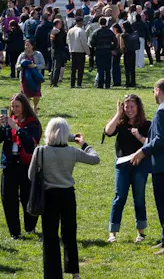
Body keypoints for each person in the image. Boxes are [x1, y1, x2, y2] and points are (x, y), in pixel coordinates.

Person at [29, 118, 100, 279]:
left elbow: (30, 175)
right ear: (66, 133)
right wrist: (83, 143)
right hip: (67, 195)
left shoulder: (40, 151)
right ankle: (74, 272)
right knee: (69, 234)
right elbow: (95, 159)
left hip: (49, 196)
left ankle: (52, 274)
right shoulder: (72, 152)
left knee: (50, 237)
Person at [130, 78, 164, 255]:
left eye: (153, 91)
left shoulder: (162, 111)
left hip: (162, 164)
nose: (153, 94)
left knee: (163, 204)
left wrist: (142, 152)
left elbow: (159, 140)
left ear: (158, 90)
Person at [105, 93, 151, 244]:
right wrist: (118, 114)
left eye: (132, 106)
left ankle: (141, 233)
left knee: (139, 198)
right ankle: (113, 233)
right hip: (122, 165)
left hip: (140, 165)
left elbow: (151, 145)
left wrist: (138, 136)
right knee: (119, 197)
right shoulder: (121, 123)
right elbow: (108, 131)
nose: (129, 109)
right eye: (126, 107)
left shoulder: (146, 125)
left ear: (138, 107)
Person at [1, 93, 41, 239]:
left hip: (26, 165)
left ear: (24, 106)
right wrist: (1, 127)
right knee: (8, 199)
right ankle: (14, 232)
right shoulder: (8, 121)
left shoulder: (33, 123)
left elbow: (31, 143)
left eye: (17, 106)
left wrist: (17, 128)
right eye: (12, 106)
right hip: (9, 164)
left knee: (27, 197)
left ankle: (30, 227)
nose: (14, 109)